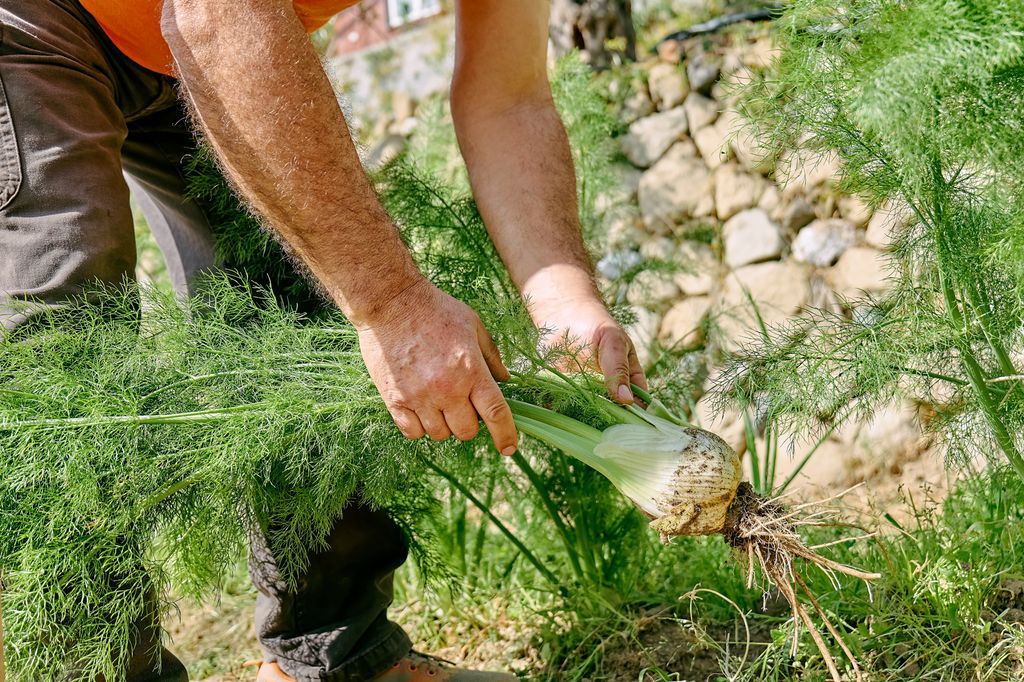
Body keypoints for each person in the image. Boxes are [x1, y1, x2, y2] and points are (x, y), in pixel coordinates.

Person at [0, 0, 648, 680]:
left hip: (204, 27)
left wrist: (565, 302)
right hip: (41, 21)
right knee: (64, 369)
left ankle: (337, 660)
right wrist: (394, 305)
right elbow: (219, 16)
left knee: (289, 306)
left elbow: (508, 97)